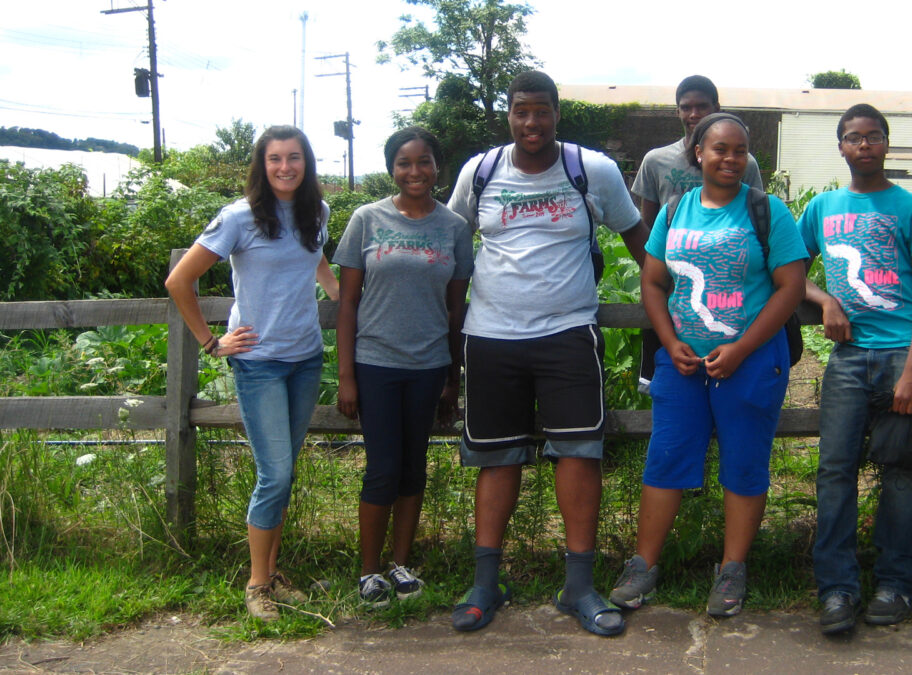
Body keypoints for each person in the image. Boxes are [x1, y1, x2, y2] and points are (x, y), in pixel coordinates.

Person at [444, 70, 649, 636]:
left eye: (541, 110)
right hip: (489, 335)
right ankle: (486, 583)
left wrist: (672, 301)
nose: (530, 122)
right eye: (520, 111)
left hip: (567, 331)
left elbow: (640, 241)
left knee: (580, 453)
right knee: (495, 457)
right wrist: (446, 335)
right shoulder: (481, 172)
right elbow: (452, 246)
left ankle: (578, 586)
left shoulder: (592, 171)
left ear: (558, 113)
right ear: (508, 115)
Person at [609, 112, 807, 618]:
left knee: (744, 461)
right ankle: (643, 565)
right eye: (720, 149)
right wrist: (670, 340)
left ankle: (731, 570)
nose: (731, 159)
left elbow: (789, 288)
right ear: (698, 153)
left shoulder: (767, 211)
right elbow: (653, 281)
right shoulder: (675, 211)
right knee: (667, 457)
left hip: (753, 359)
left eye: (740, 151)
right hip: (684, 363)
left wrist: (741, 348)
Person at [165, 125, 339, 622]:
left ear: (307, 163)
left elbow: (315, 255)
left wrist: (334, 290)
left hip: (306, 359)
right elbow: (180, 280)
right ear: (261, 166)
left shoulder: (318, 212)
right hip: (258, 364)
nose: (285, 167)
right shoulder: (239, 218)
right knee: (275, 473)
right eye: (274, 159)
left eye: (294, 158)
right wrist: (210, 341)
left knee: (282, 477)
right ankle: (258, 584)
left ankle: (272, 574)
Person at [797, 104, 912, 635]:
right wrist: (825, 300)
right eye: (853, 138)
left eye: (873, 137)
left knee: (901, 473)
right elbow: (790, 272)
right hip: (848, 361)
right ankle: (836, 590)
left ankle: (896, 583)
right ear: (840, 146)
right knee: (835, 472)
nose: (864, 145)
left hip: (902, 355)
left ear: (886, 144)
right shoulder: (821, 208)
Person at [333, 127, 473, 608]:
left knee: (414, 468)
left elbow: (456, 311)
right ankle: (369, 572)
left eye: (424, 162)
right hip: (375, 363)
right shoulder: (366, 219)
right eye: (404, 163)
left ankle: (400, 564)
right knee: (383, 468)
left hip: (429, 364)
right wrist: (346, 375)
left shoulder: (454, 227)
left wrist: (452, 378)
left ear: (438, 167)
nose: (415, 171)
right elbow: (347, 302)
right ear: (391, 168)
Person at [631, 75, 764, 392]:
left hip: (726, 281)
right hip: (672, 281)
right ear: (676, 112)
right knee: (672, 371)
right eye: (685, 107)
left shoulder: (745, 163)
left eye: (701, 106)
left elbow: (755, 220)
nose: (693, 114)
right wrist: (659, 278)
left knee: (735, 374)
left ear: (717, 108)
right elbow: (647, 227)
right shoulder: (656, 160)